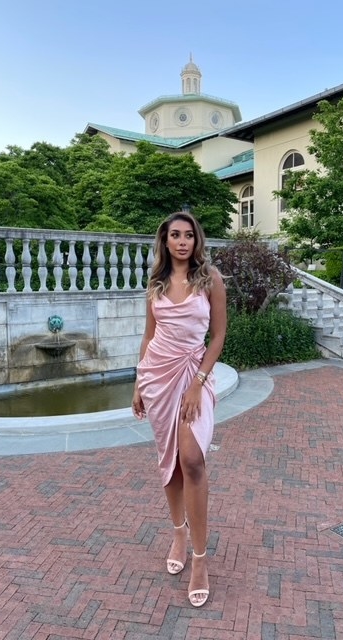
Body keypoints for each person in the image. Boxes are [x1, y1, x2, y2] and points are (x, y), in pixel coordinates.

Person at [132, 211, 227, 608]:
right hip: (156, 377)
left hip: (193, 376)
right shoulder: (154, 284)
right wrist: (138, 383)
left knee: (192, 459)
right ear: (166, 241)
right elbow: (149, 335)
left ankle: (201, 561)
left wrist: (198, 383)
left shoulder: (211, 279)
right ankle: (178, 534)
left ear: (196, 240)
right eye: (176, 235)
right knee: (169, 462)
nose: (183, 241)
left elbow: (219, 335)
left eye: (189, 235)